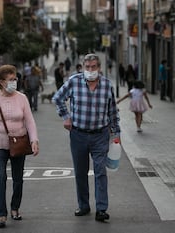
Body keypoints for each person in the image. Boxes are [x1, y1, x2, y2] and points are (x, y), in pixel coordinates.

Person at [52, 53, 120, 222]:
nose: (90, 70)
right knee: (81, 173)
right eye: (87, 67)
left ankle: (101, 209)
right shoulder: (74, 81)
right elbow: (58, 98)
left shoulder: (106, 85)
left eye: (94, 67)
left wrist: (116, 133)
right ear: (83, 67)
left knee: (100, 172)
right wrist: (65, 117)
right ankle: (83, 206)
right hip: (78, 135)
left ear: (99, 68)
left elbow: (112, 111)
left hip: (100, 135)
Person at [0, 64, 39, 228]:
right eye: (11, 79)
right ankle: (2, 214)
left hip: (18, 143)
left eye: (16, 79)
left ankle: (15, 208)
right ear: (1, 82)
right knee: (1, 176)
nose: (15, 82)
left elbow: (30, 121)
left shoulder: (22, 98)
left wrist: (34, 140)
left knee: (18, 179)